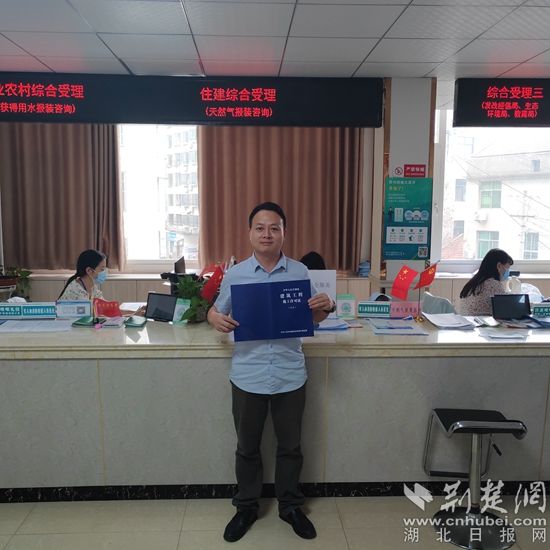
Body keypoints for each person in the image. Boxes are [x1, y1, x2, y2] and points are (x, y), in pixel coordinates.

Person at [208, 202, 334, 543]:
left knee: (290, 446)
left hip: (289, 373)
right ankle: (246, 506)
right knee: (247, 447)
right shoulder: (236, 274)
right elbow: (215, 312)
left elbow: (311, 318)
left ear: (284, 233)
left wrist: (325, 307)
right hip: (247, 374)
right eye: (260, 228)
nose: (267, 234)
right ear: (250, 233)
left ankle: (290, 506)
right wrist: (214, 318)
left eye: (274, 228)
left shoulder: (299, 272)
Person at [458, 248, 513, 316]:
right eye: (507, 268)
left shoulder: (474, 282)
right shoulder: (494, 285)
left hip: (466, 320)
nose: (507, 272)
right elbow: (506, 309)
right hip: (480, 322)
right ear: (499, 266)